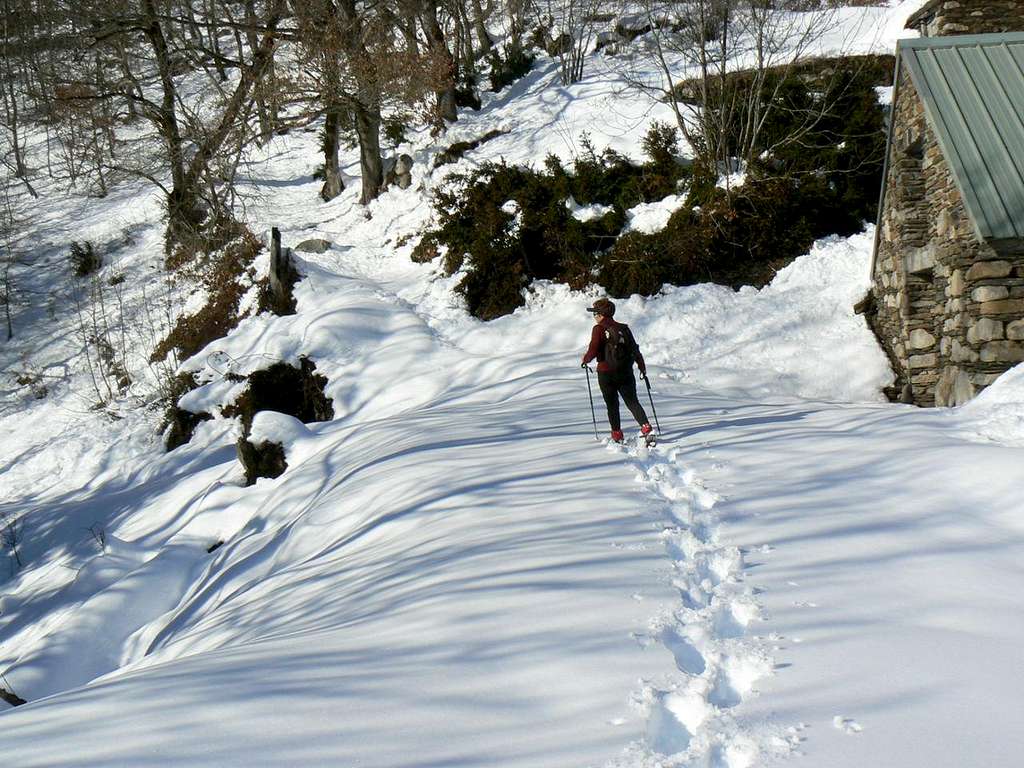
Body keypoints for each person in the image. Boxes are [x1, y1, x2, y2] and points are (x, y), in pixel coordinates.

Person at [581, 297, 653, 443]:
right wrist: (641, 367)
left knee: (612, 404)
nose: (594, 317)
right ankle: (646, 427)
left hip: (606, 373)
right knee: (632, 401)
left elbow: (594, 349)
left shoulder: (598, 329)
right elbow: (634, 349)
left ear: (601, 314)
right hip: (625, 371)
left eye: (595, 313)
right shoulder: (624, 328)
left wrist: (585, 360)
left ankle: (617, 434)